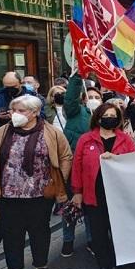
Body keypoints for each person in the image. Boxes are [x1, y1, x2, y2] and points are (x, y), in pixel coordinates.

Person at [0, 96, 72, 269]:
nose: (16, 114)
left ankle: (41, 267)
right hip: (8, 195)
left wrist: (58, 182)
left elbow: (65, 156)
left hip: (40, 195)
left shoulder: (51, 133)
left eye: (21, 111)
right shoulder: (1, 132)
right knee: (11, 234)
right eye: (14, 110)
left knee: (39, 231)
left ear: (35, 112)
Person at [71, 104, 135, 269]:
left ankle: (118, 263)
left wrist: (116, 159)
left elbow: (134, 163)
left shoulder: (125, 140)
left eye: (113, 115)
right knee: (98, 232)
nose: (110, 118)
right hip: (94, 195)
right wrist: (77, 191)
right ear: (98, 118)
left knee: (117, 231)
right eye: (106, 115)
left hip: (119, 196)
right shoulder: (85, 140)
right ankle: (103, 264)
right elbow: (77, 167)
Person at [60, 73, 101, 257]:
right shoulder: (76, 113)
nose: (93, 100)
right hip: (75, 168)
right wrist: (78, 77)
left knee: (92, 207)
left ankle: (93, 239)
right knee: (71, 206)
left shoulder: (105, 117)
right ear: (83, 100)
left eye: (97, 97)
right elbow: (69, 99)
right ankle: (68, 240)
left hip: (95, 171)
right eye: (90, 97)